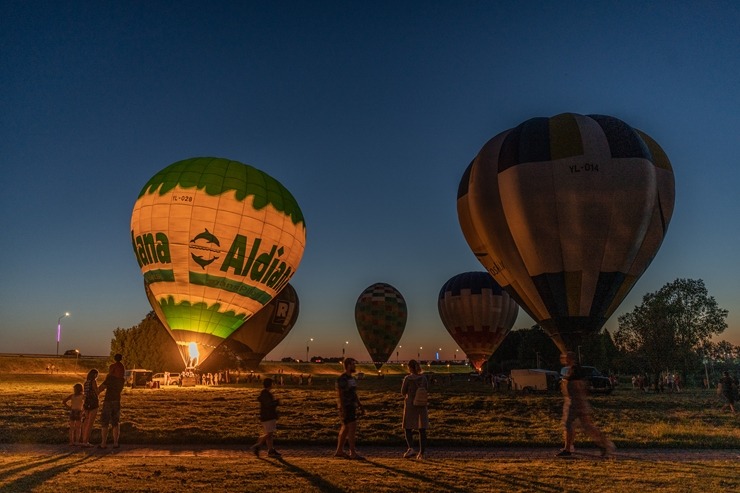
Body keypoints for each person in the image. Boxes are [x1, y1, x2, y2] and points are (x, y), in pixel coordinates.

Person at [557, 351, 616, 457]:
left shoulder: (574, 371)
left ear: (569, 358)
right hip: (580, 402)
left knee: (568, 424)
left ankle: (568, 448)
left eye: (565, 357)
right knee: (587, 426)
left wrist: (565, 381)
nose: (563, 359)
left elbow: (575, 385)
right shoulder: (577, 370)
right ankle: (605, 445)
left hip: (574, 402)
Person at [334, 357, 363, 459]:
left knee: (346, 428)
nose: (354, 366)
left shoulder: (352, 379)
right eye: (353, 364)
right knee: (352, 428)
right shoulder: (342, 379)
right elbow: (340, 395)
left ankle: (339, 451)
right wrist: (343, 408)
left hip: (352, 406)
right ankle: (353, 453)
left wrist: (360, 405)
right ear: (348, 365)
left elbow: (354, 393)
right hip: (346, 406)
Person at [401, 359, 429, 460]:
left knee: (408, 427)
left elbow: (403, 391)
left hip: (410, 405)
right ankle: (422, 453)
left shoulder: (408, 379)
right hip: (421, 405)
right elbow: (426, 389)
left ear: (409, 367)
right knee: (422, 429)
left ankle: (411, 448)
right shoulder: (423, 378)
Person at [98, 356, 125, 448]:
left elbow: (101, 388)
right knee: (115, 422)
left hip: (108, 400)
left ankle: (103, 443)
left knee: (105, 422)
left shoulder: (110, 378)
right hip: (117, 400)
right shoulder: (122, 380)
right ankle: (116, 443)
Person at [249, 378, 281, 457]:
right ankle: (258, 445)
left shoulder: (265, 393)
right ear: (270, 384)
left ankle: (270, 450)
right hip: (268, 416)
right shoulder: (266, 394)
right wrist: (276, 402)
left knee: (269, 433)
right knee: (269, 433)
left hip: (266, 416)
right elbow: (268, 405)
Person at [80, 369, 100, 447]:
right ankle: (86, 441)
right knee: (90, 423)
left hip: (86, 403)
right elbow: (97, 391)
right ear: (95, 375)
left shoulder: (86, 383)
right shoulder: (93, 382)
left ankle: (83, 439)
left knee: (85, 421)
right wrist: (101, 389)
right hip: (93, 402)